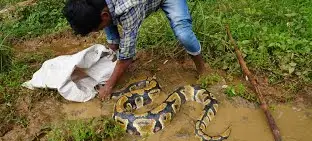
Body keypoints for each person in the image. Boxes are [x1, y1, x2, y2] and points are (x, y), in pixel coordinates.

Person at [63, 0, 206, 100]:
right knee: (111, 35)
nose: (97, 31)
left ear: (104, 15)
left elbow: (126, 57)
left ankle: (202, 69)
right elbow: (105, 19)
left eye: (96, 29)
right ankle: (112, 59)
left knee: (184, 34)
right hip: (110, 8)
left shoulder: (129, 8)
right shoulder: (96, 5)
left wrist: (108, 87)